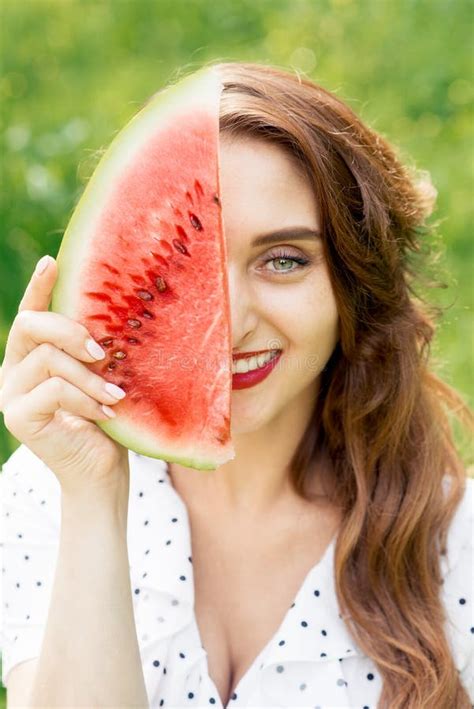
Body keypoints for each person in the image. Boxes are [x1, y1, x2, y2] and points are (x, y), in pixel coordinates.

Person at [0, 61, 472, 709]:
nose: (233, 320)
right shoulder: (45, 494)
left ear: (352, 283)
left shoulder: (461, 541)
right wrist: (91, 497)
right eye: (182, 267)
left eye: (284, 260)